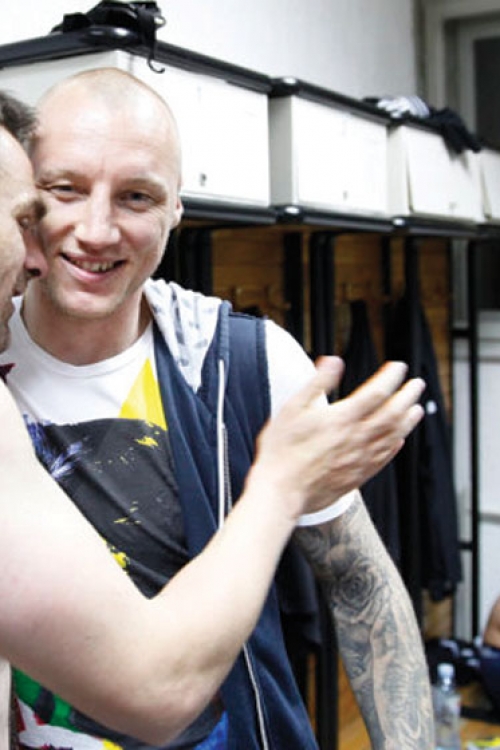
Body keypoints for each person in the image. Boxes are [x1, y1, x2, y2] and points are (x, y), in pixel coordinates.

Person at [0, 69, 434, 749]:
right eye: (65, 190)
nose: (96, 230)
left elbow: (360, 582)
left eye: (137, 196)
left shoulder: (242, 364)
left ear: (176, 210)